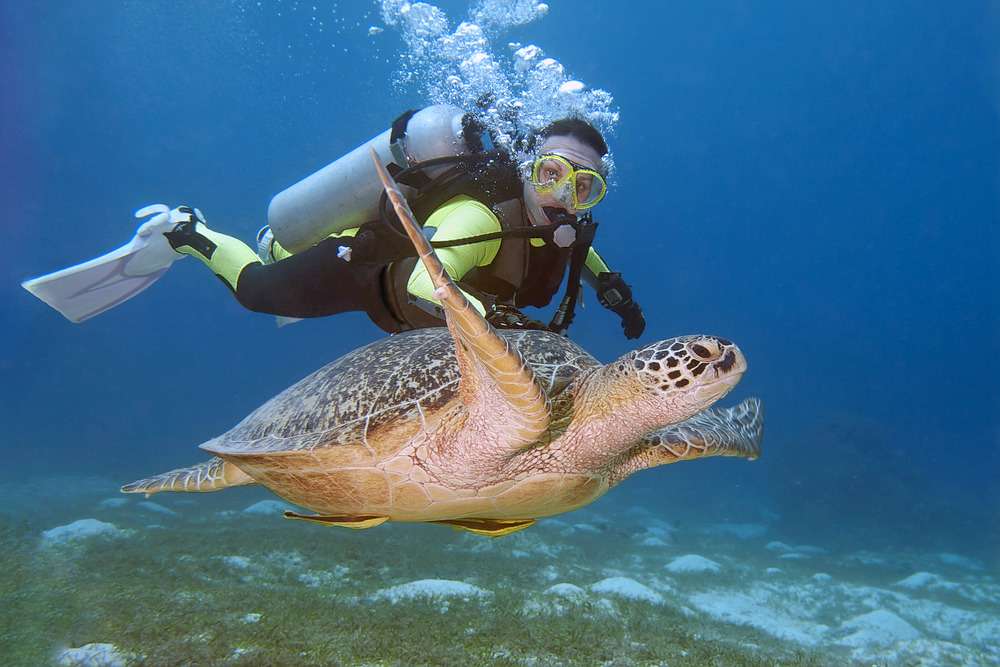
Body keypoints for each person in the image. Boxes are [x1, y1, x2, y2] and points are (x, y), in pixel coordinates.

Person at [162, 115, 646, 338]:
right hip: (363, 271)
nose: (562, 197)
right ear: (526, 169)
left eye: (583, 188)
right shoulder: (479, 218)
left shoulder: (562, 229)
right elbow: (423, 284)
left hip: (420, 310)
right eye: (551, 174)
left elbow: (577, 251)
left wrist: (615, 294)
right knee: (255, 292)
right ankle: (190, 233)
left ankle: (281, 249)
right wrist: (505, 322)